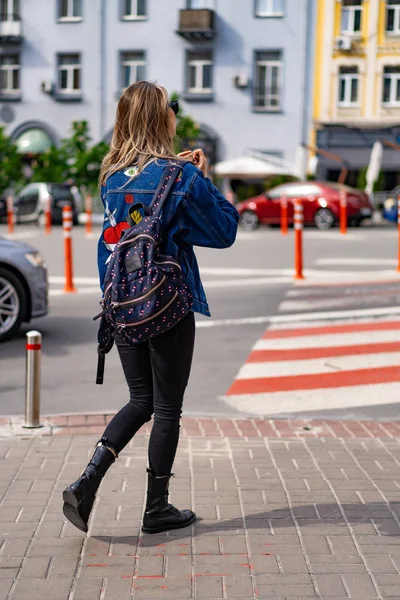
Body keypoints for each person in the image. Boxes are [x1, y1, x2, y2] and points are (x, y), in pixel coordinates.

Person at [62, 81, 239, 535]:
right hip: (166, 306)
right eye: (171, 107)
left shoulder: (110, 176)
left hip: (121, 303)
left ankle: (87, 481)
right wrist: (204, 177)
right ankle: (156, 507)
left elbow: (132, 214)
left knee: (140, 399)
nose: (176, 113)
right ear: (162, 119)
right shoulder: (182, 178)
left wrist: (179, 171)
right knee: (166, 408)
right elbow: (223, 231)